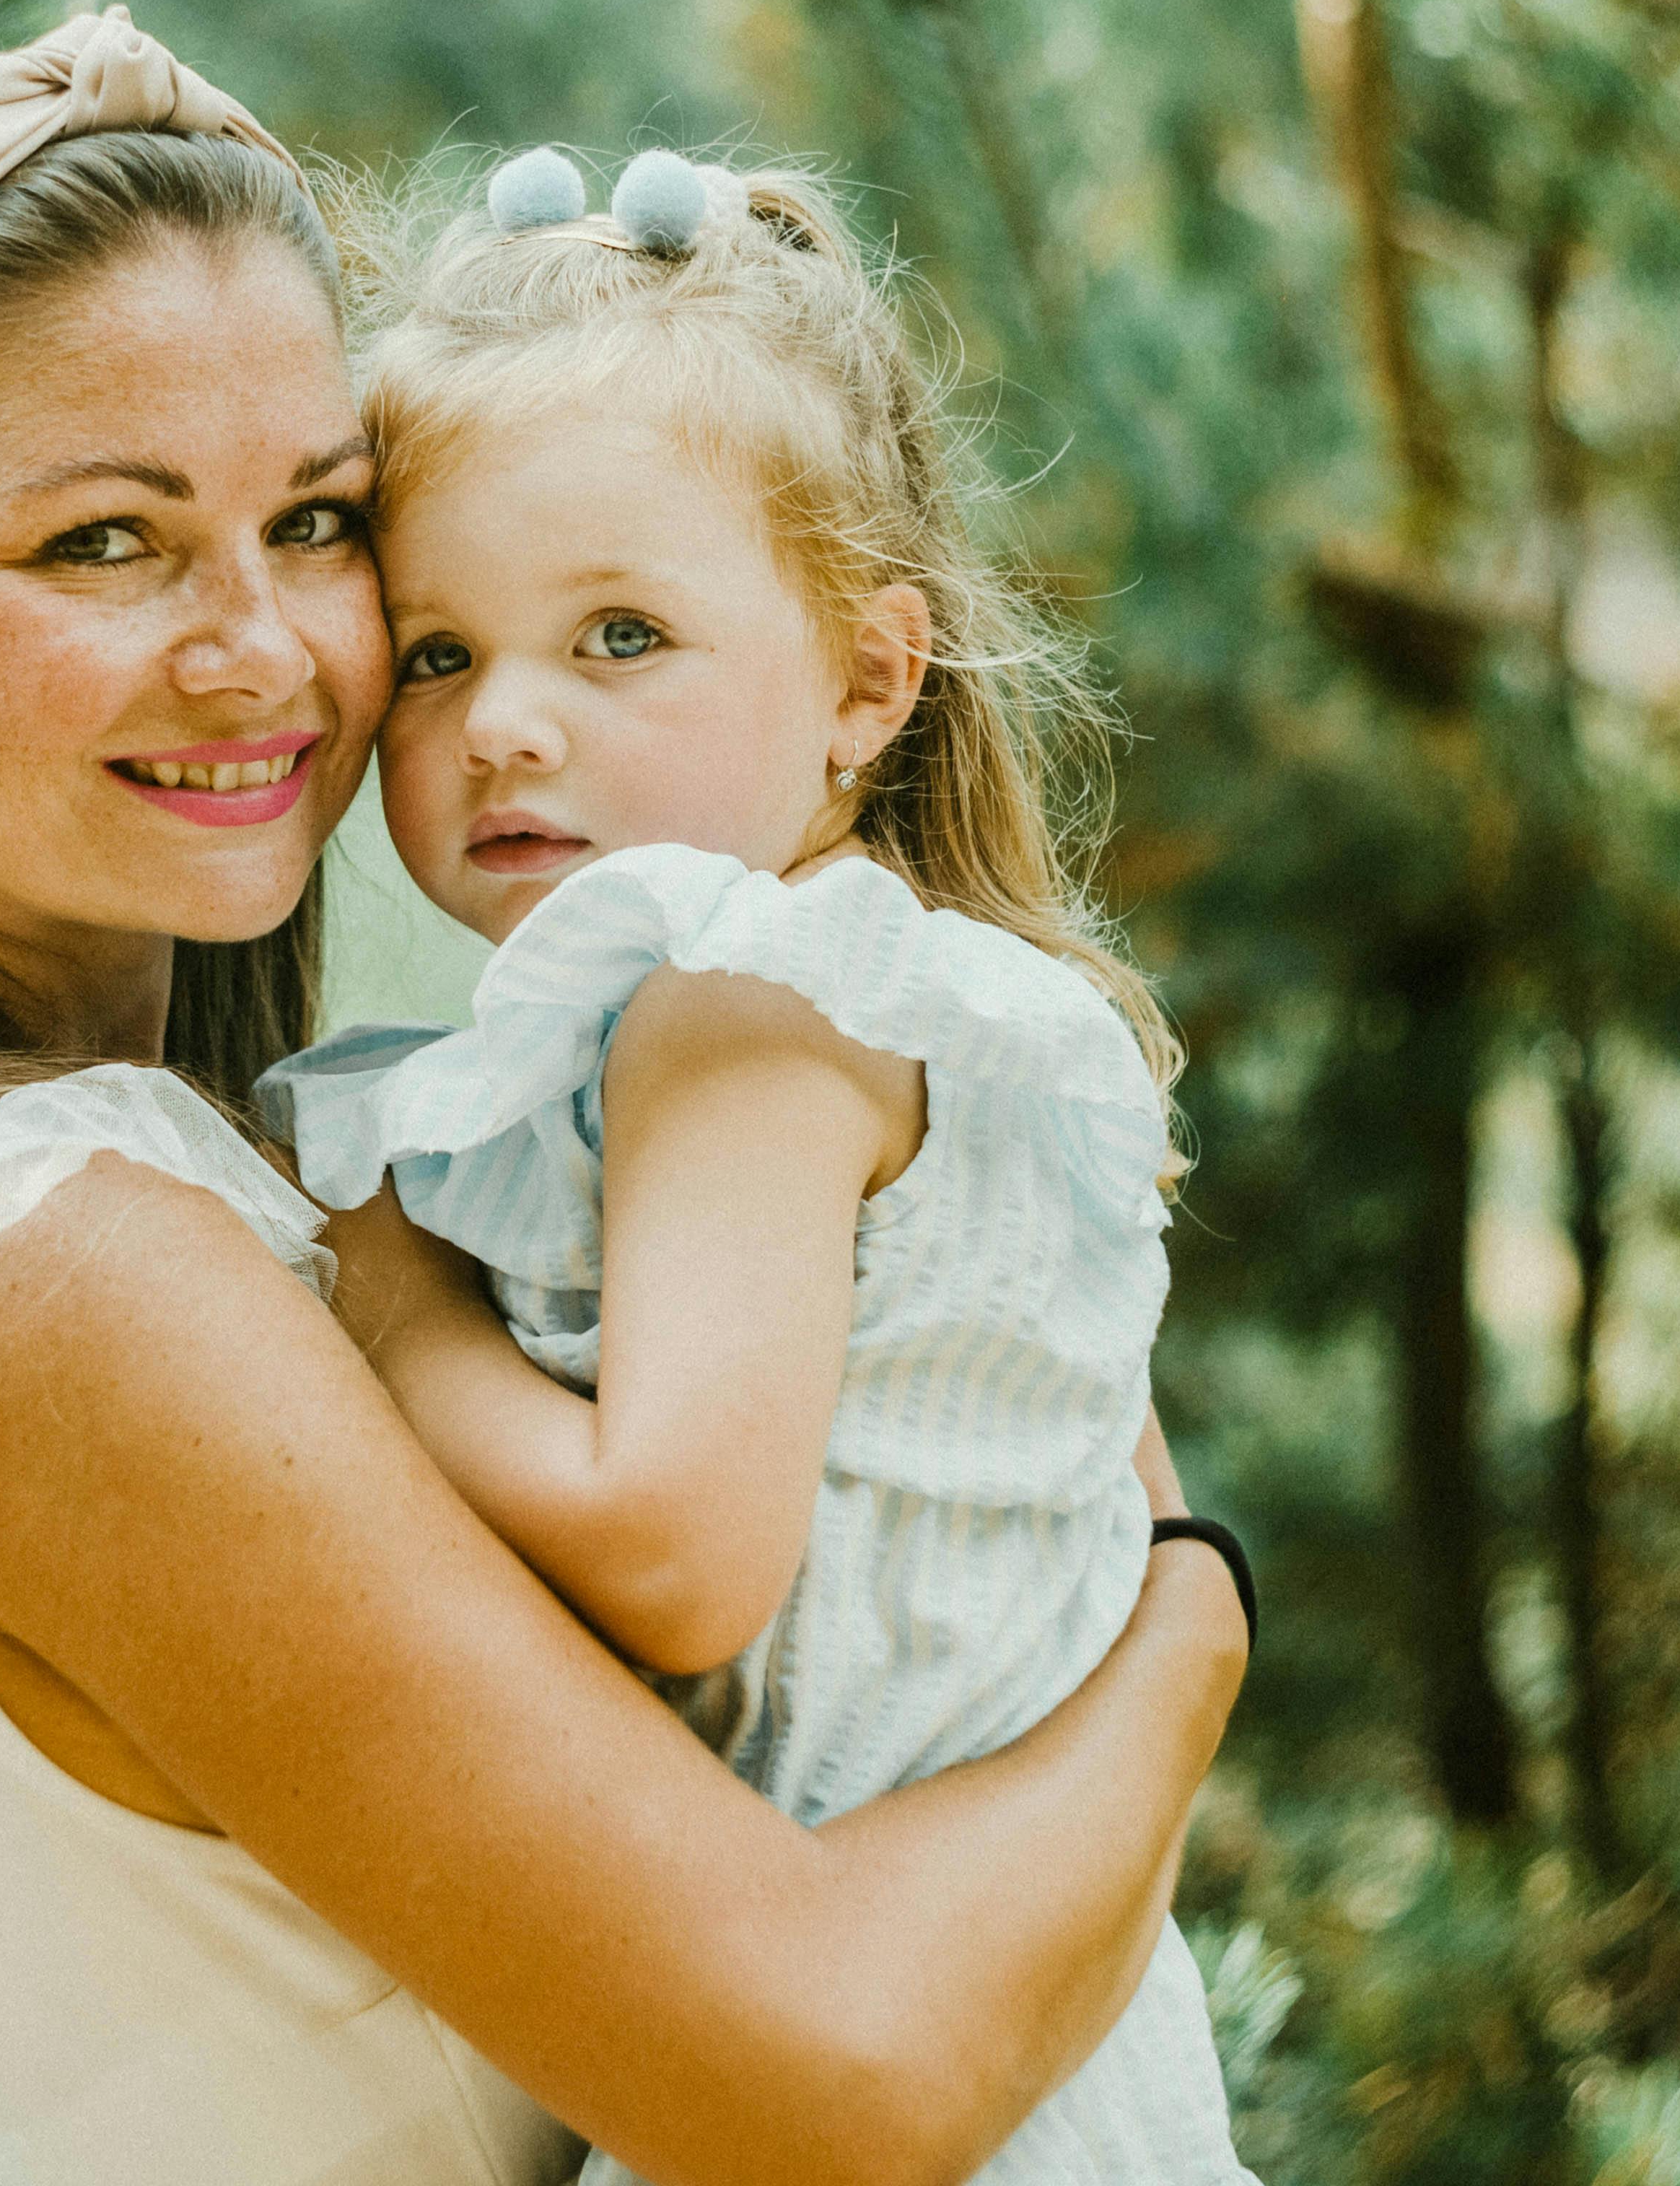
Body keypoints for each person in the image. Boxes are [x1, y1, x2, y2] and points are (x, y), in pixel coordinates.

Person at [0, 12, 1250, 2186]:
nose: (267, 649)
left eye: (317, 523)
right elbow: (845, 2082)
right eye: (105, 546)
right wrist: (1190, 1610)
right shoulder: (41, 1264)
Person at [257, 146, 1250, 2186]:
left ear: (868, 684)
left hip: (884, 2038)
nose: (507, 725)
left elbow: (681, 1559)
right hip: (1017, 2035)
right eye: (438, 653)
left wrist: (383, 1300)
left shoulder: (737, 1008)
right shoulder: (866, 1004)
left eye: (618, 636)